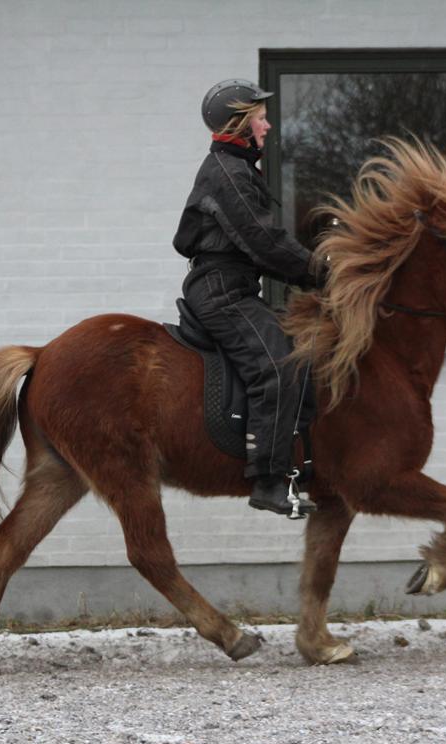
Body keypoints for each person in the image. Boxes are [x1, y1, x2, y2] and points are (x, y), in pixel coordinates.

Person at [173, 78, 322, 517]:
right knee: (277, 366)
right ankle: (268, 481)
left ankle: (301, 464)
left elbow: (260, 247)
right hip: (221, 291)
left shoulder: (235, 169)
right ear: (240, 124)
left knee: (300, 353)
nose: (267, 126)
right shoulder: (228, 173)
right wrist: (321, 272)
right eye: (260, 118)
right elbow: (264, 240)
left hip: (233, 285)